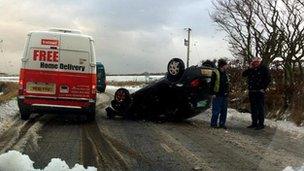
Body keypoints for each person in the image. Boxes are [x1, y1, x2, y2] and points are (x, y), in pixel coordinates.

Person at [242, 57, 271, 130]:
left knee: (260, 107)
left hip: (259, 91)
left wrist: (263, 88)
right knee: (253, 108)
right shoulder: (251, 69)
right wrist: (250, 68)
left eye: (256, 62)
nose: (255, 63)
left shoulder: (264, 69)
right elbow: (244, 74)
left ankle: (261, 124)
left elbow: (268, 79)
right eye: (253, 62)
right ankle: (254, 123)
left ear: (259, 62)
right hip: (252, 91)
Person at [210, 59, 229, 129]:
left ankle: (222, 124)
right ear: (222, 66)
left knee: (224, 111)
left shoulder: (225, 73)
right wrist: (213, 93)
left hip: (225, 95)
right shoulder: (215, 72)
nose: (227, 66)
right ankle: (213, 123)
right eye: (226, 65)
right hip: (217, 94)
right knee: (216, 110)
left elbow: (227, 84)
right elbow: (212, 84)